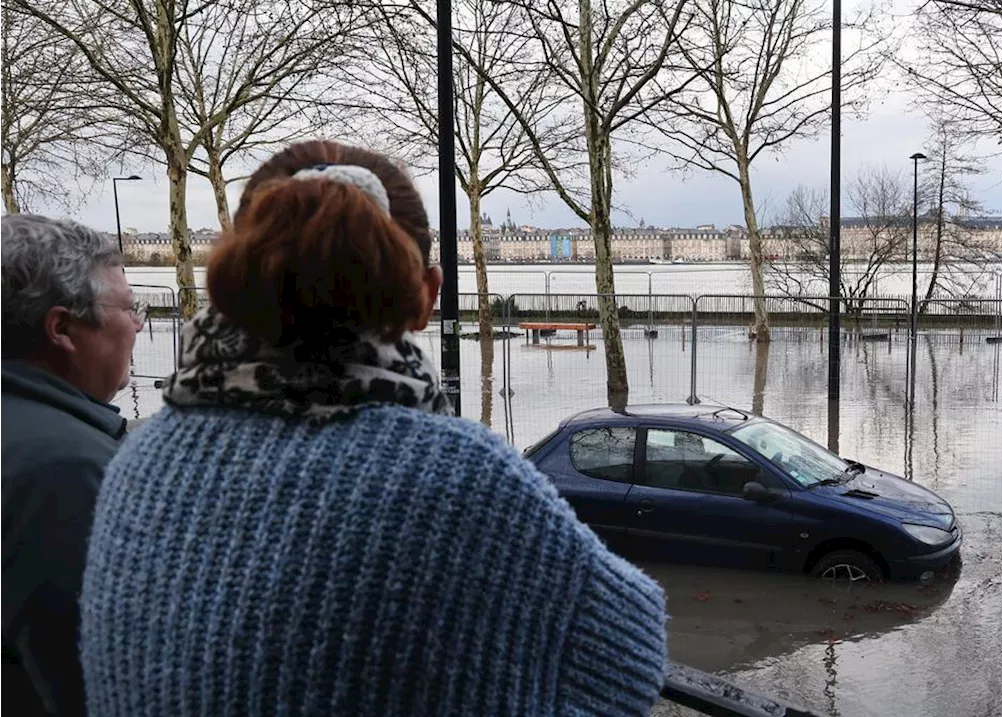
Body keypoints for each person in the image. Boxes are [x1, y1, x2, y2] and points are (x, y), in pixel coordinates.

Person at [79, 140, 669, 717]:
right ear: (426, 294)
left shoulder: (140, 458)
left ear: (241, 278)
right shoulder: (458, 476)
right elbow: (633, 654)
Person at [0, 215, 141, 715]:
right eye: (130, 308)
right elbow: (98, 683)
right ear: (62, 327)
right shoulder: (65, 472)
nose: (140, 324)